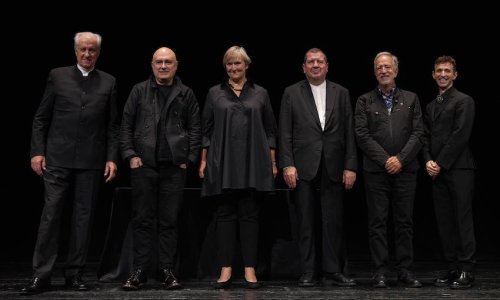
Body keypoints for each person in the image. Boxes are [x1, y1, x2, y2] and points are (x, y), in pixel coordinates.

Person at [22, 32, 119, 295]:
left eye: (92, 50)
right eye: (83, 50)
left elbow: (112, 126)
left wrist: (111, 157)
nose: (87, 54)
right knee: (51, 214)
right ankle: (41, 275)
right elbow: (41, 118)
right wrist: (37, 152)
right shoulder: (58, 76)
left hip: (91, 159)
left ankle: (74, 274)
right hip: (57, 157)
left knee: (83, 218)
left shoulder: (108, 82)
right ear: (75, 51)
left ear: (98, 53)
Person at [120, 47, 201, 291]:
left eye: (168, 62)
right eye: (159, 62)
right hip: (144, 165)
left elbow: (196, 128)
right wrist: (130, 155)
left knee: (169, 221)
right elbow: (125, 126)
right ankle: (140, 270)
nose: (163, 66)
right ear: (152, 65)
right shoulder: (139, 91)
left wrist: (190, 157)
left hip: (174, 167)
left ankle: (167, 270)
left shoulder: (186, 93)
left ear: (176, 65)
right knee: (142, 219)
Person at [199, 46, 277, 289]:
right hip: (222, 162)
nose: (233, 68)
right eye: (229, 64)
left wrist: (273, 163)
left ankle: (250, 268)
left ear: (246, 65)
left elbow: (270, 131)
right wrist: (203, 160)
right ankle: (226, 268)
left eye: (237, 64)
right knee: (224, 215)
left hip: (253, 162)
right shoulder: (214, 93)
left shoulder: (261, 93)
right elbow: (206, 130)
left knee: (250, 214)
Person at [279, 48, 358, 287]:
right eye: (311, 62)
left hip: (333, 164)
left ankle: (333, 270)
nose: (315, 65)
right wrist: (287, 164)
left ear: (327, 66)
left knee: (332, 220)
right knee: (305, 220)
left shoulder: (341, 92)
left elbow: (349, 131)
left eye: (319, 61)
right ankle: (308, 271)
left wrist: (350, 165)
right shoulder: (291, 92)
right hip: (302, 166)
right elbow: (284, 132)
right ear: (303, 67)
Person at [354, 51, 423, 288]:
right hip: (376, 171)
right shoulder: (364, 100)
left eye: (387, 67)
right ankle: (380, 270)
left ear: (396, 70)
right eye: (379, 67)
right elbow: (362, 135)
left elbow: (418, 133)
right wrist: (386, 160)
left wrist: (401, 160)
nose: (383, 71)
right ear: (375, 72)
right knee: (377, 222)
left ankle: (404, 269)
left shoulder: (412, 98)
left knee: (404, 222)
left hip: (406, 169)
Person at [422, 55, 476, 289]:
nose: (443, 74)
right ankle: (452, 268)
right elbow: (424, 136)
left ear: (455, 75)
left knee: (461, 219)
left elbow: (460, 135)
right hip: (437, 170)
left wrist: (439, 163)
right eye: (439, 71)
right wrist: (428, 161)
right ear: (433, 75)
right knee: (445, 221)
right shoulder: (431, 105)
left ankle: (466, 269)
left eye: (447, 71)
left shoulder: (464, 100)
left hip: (459, 168)